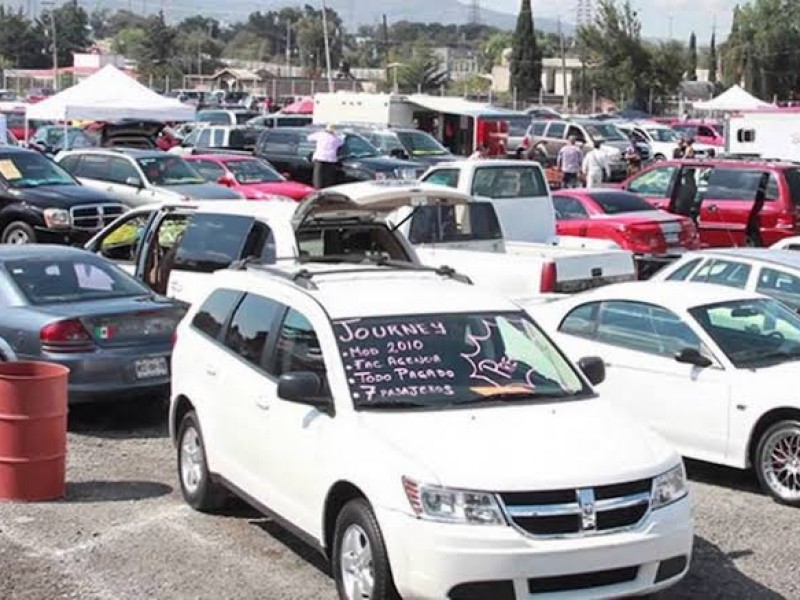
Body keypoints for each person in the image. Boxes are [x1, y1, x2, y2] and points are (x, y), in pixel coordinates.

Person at [307, 123, 344, 189]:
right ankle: (326, 190)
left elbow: (309, 138)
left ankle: (318, 190)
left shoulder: (320, 135)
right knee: (328, 179)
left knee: (318, 178)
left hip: (320, 158)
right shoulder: (337, 138)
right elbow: (341, 142)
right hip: (331, 160)